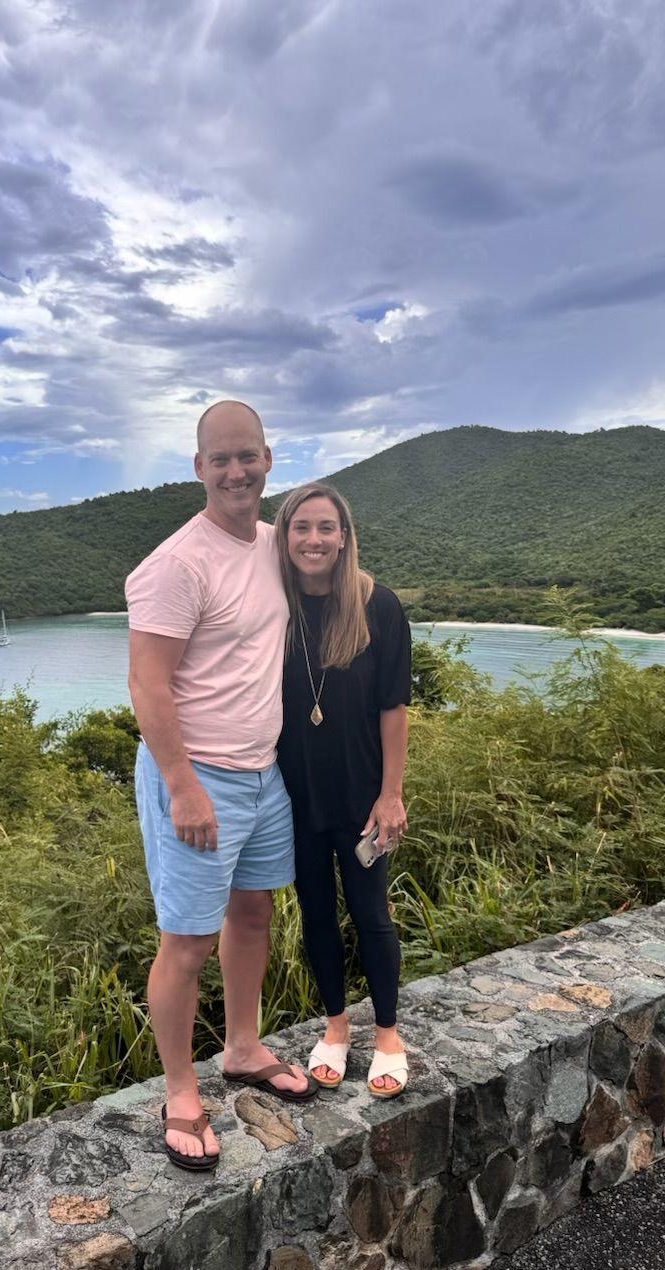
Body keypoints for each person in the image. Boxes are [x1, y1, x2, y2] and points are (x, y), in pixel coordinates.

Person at [125, 400, 317, 1173]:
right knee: (187, 941)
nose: (237, 470)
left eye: (249, 456)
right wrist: (182, 786)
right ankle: (179, 1090)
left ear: (269, 459)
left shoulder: (276, 546)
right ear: (199, 467)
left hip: (263, 772)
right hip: (198, 775)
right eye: (221, 458)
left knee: (253, 915)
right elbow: (147, 684)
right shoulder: (176, 563)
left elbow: (340, 587)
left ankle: (242, 1047)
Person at [273, 483, 412, 1098]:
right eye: (301, 527)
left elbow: (394, 708)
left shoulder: (377, 606)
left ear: (345, 536)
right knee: (316, 914)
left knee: (371, 912)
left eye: (326, 527)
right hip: (293, 797)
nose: (314, 539)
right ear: (284, 535)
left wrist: (392, 794)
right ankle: (335, 1028)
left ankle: (387, 1033)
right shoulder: (273, 605)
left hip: (362, 797)